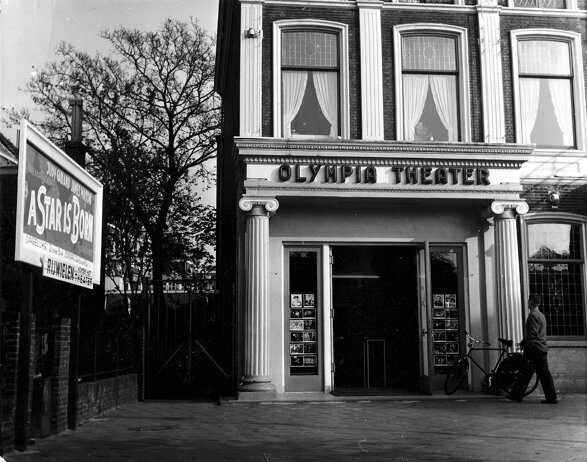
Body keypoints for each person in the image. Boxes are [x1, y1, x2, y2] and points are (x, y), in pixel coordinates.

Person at [506, 295, 558, 404]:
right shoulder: (541, 315)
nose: (527, 303)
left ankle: (518, 395)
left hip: (534, 349)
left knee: (528, 373)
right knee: (534, 373)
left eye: (528, 301)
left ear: (531, 303)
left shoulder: (532, 316)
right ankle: (518, 395)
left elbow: (532, 335)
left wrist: (523, 344)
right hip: (541, 348)